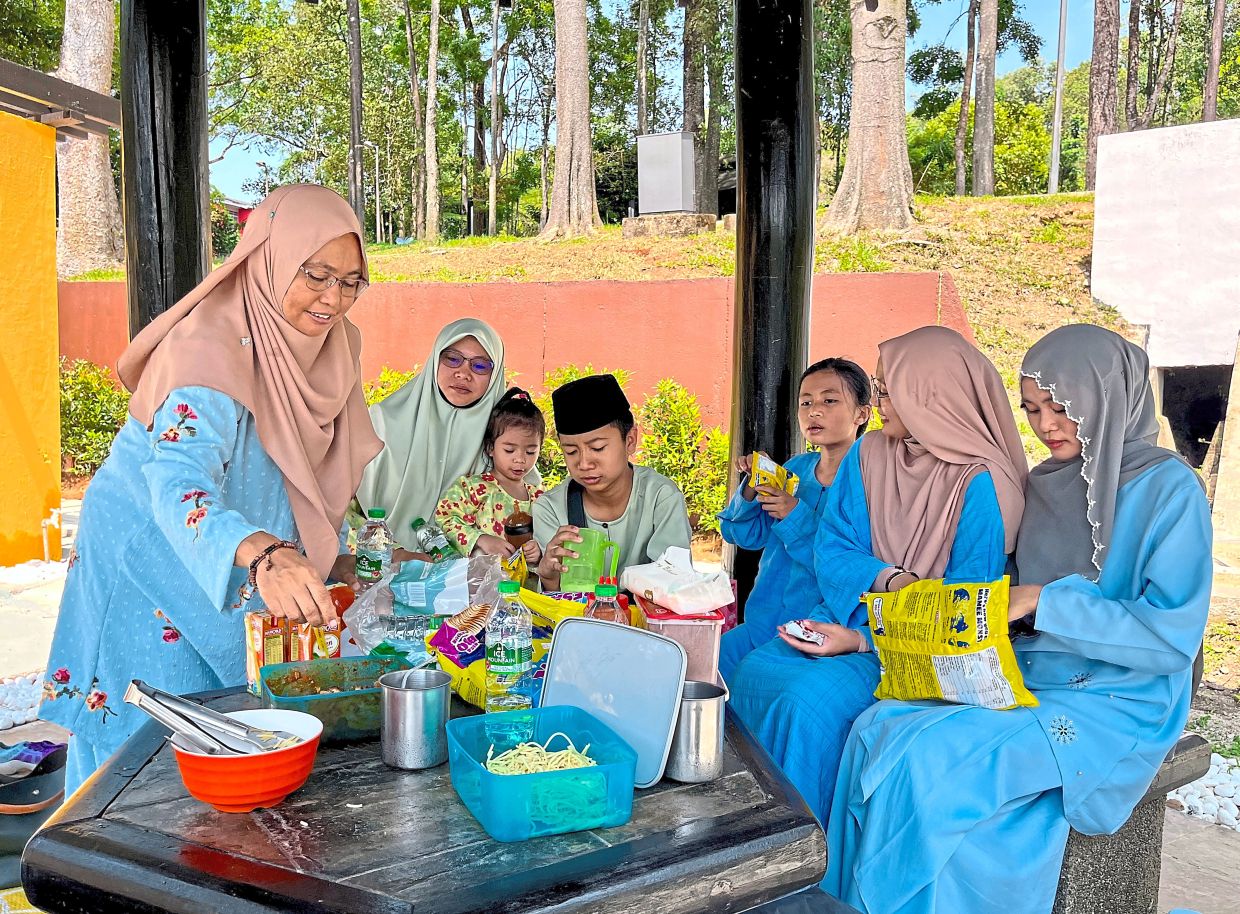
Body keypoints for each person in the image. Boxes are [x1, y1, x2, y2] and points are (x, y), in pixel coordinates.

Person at [825, 325, 1211, 914]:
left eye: (1062, 406)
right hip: (1026, 673)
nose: (1045, 424)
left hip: (1120, 696)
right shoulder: (1044, 484)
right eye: (1032, 409)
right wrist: (869, 637)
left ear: (1108, 398)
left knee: (936, 766)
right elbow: (991, 605)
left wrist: (1043, 601)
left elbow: (1170, 640)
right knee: (878, 729)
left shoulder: (1168, 490)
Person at [39, 185, 381, 794]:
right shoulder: (209, 346)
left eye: (351, 281)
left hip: (234, 546)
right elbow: (178, 480)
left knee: (225, 725)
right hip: (151, 545)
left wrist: (332, 548)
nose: (333, 299)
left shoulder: (333, 344)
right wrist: (267, 553)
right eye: (316, 275)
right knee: (144, 738)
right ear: (268, 257)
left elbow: (317, 464)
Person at [728, 326, 1027, 827]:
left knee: (804, 703)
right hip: (841, 613)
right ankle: (753, 836)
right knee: (753, 674)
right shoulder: (868, 456)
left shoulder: (979, 483)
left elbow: (965, 599)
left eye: (890, 389)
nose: (882, 400)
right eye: (880, 386)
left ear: (929, 394)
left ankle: (804, 846)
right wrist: (891, 581)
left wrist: (864, 639)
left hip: (907, 645)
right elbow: (835, 548)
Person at [718, 358, 872, 680]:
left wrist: (793, 513)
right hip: (760, 626)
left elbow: (847, 566)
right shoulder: (797, 469)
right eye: (806, 402)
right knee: (698, 672)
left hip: (813, 639)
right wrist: (751, 488)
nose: (814, 411)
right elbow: (744, 537)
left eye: (829, 400)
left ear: (862, 413)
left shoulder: (868, 484)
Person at [355, 318, 508, 552]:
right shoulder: (381, 422)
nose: (463, 374)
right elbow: (340, 510)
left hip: (467, 576)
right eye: (453, 359)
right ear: (436, 359)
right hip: (378, 564)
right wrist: (393, 553)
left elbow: (526, 510)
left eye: (480, 366)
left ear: (495, 374)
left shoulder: (506, 439)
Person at [534, 374, 692, 590]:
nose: (584, 463)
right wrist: (549, 577)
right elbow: (557, 600)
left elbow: (673, 582)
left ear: (630, 440)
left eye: (597, 448)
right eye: (571, 451)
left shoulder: (660, 497)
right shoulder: (550, 508)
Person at [434, 387, 546, 565]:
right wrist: (480, 539)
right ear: (490, 448)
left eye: (531, 451)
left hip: (522, 587)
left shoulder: (539, 497)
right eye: (509, 450)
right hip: (480, 584)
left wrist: (538, 550)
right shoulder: (474, 488)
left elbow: (549, 535)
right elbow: (445, 518)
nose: (520, 459)